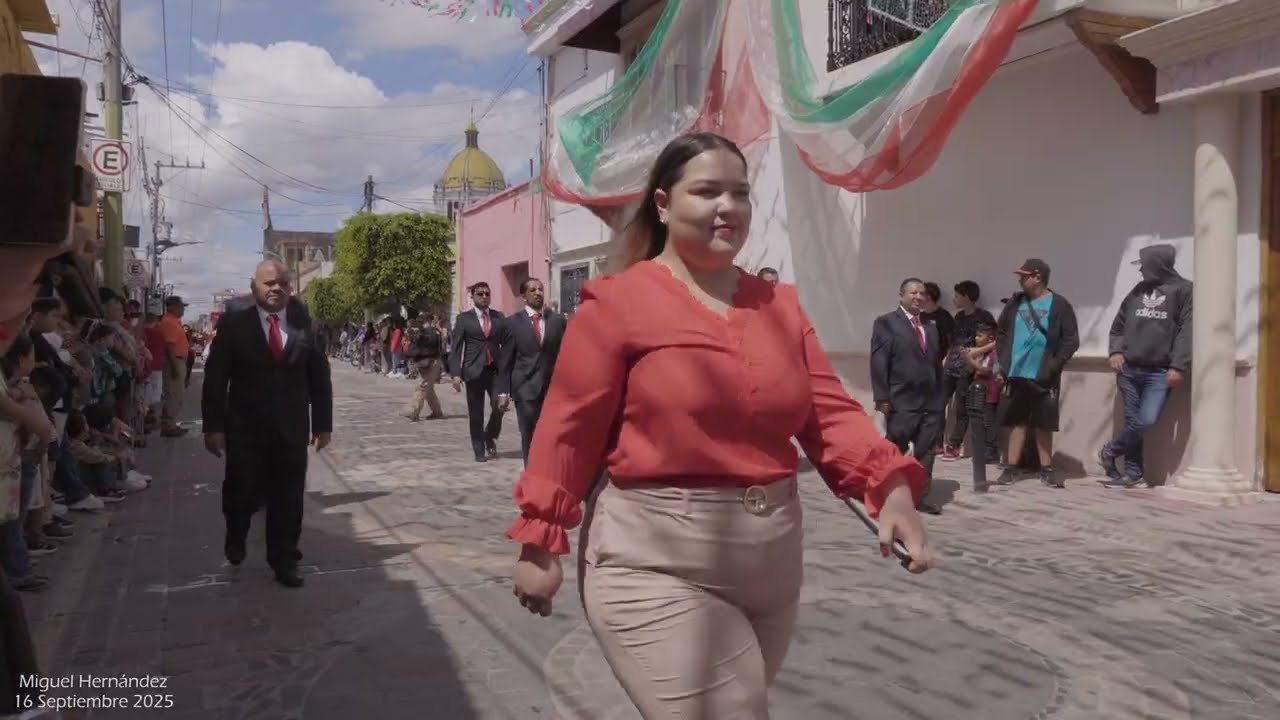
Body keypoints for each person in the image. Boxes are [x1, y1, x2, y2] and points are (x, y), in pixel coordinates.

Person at [508, 132, 933, 719]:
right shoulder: (617, 302)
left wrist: (891, 491)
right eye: (706, 191)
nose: (727, 207)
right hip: (654, 558)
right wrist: (539, 540)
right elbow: (568, 429)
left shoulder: (778, 304)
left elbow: (829, 414)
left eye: (740, 193)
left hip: (772, 563)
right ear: (663, 204)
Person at [201, 261, 333, 588]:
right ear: (254, 286)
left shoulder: (305, 324)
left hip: (291, 428)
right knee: (241, 492)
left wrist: (323, 423)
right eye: (269, 283)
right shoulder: (235, 325)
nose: (276, 288)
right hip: (245, 428)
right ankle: (236, 535)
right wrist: (213, 426)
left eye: (283, 283)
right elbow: (216, 379)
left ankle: (284, 558)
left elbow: (319, 376)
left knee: (288, 496)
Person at [1099, 244, 1192, 488]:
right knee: (1133, 422)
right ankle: (1133, 472)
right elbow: (1118, 326)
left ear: (1156, 264)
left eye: (1144, 265)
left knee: (1146, 419)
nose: (1141, 270)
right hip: (1128, 369)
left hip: (1160, 371)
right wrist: (1116, 351)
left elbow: (1187, 331)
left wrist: (1178, 365)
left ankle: (1110, 451)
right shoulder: (1137, 291)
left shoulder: (1184, 290)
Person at [994, 259, 1080, 489]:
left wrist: (1054, 365)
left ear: (1038, 277)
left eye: (1024, 275)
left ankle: (1047, 470)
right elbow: (1001, 332)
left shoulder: (1059, 305)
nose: (1019, 280)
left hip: (1044, 375)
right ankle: (1011, 468)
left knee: (1044, 423)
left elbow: (1071, 340)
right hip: (1016, 372)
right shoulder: (1014, 303)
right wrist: (1004, 360)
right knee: (1016, 422)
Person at [870, 278, 945, 515]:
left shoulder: (931, 327)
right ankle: (889, 496)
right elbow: (879, 362)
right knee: (896, 450)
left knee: (927, 451)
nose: (918, 297)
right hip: (900, 400)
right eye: (913, 292)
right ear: (901, 296)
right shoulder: (886, 323)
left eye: (921, 293)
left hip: (930, 401)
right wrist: (882, 398)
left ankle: (919, 497)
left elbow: (935, 364)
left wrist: (941, 396)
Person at [496, 279, 565, 464]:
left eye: (540, 289)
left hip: (552, 388)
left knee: (552, 433)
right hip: (525, 388)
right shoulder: (512, 323)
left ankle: (549, 470)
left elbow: (564, 355)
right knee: (529, 433)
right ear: (524, 296)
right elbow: (506, 361)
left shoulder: (557, 321)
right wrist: (503, 391)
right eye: (532, 290)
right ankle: (532, 472)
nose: (538, 293)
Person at [449, 282, 506, 462]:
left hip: (495, 370)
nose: (484, 296)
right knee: (476, 412)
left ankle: (489, 435)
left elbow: (507, 343)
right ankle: (478, 447)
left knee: (500, 405)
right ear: (472, 297)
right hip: (473, 370)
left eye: (487, 294)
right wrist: (456, 374)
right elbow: (456, 349)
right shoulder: (464, 319)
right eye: (480, 294)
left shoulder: (499, 317)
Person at [963, 323, 1001, 493]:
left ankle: (991, 451)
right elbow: (972, 369)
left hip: (989, 392)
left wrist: (970, 359)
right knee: (980, 423)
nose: (977, 339)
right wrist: (969, 360)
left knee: (988, 422)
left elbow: (987, 371)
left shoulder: (993, 354)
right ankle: (983, 450)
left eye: (980, 336)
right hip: (978, 393)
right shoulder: (981, 353)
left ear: (991, 339)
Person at [402, 316, 446, 422]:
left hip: (430, 362)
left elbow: (426, 348)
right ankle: (437, 412)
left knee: (421, 387)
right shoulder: (430, 332)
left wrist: (417, 337)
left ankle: (413, 411)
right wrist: (413, 338)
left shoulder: (431, 332)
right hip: (428, 362)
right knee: (429, 390)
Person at [158, 296, 190, 437]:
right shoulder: (169, 323)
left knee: (176, 394)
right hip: (174, 361)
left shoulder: (174, 322)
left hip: (178, 360)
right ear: (171, 307)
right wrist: (175, 367)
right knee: (173, 394)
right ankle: (168, 426)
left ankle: (170, 423)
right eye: (180, 306)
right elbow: (169, 346)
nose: (182, 309)